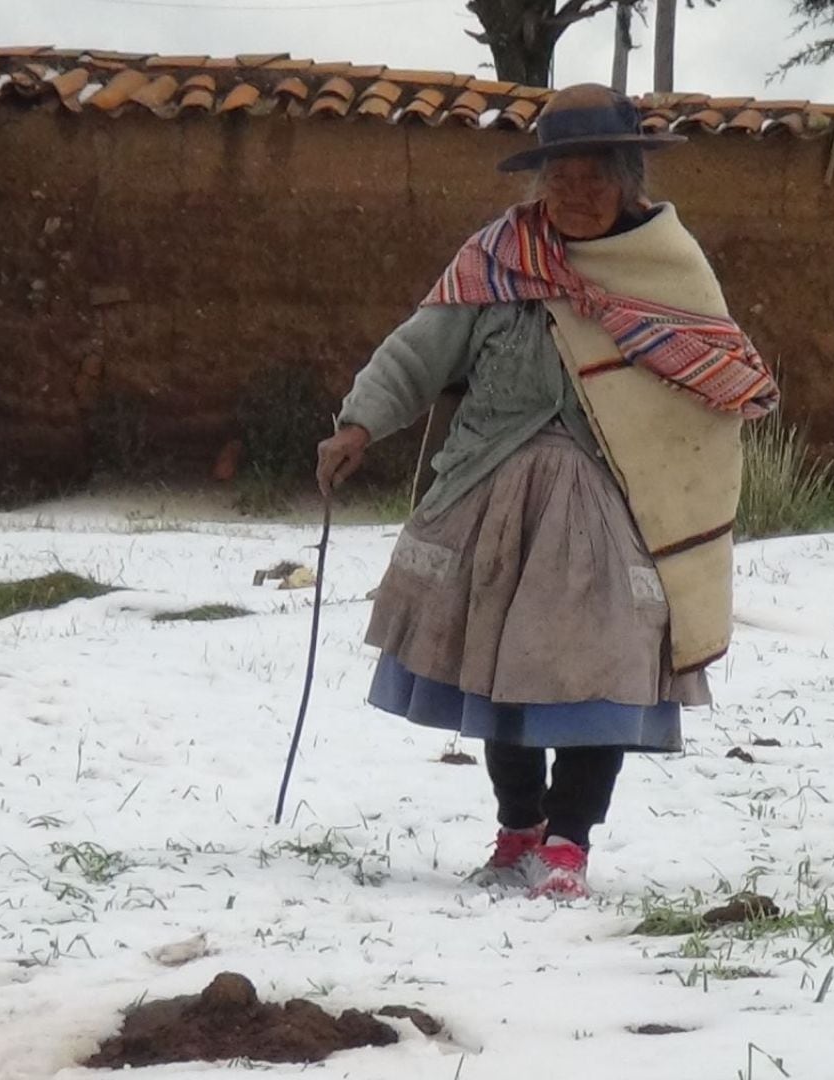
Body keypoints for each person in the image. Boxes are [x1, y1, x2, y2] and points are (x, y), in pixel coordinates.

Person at [316, 84, 779, 901]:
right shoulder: (498, 257)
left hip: (617, 503)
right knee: (500, 669)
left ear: (629, 178)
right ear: (538, 182)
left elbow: (713, 375)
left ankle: (570, 842)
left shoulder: (666, 269)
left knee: (603, 671)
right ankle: (518, 827)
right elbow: (421, 348)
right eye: (560, 175)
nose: (576, 191)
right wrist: (359, 424)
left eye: (595, 173)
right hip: (492, 493)